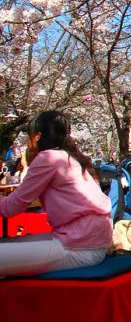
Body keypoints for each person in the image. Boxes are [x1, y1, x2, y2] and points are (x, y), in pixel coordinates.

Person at [0, 111, 112, 276]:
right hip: (90, 243)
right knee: (6, 244)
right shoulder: (70, 157)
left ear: (37, 136)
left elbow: (11, 207)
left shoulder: (48, 158)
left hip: (78, 248)